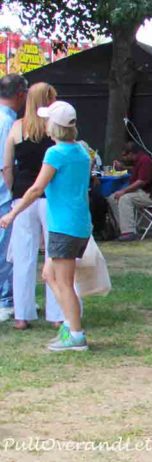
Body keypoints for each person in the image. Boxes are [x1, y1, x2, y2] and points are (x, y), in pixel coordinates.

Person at [0, 101, 91, 351]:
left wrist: (12, 213)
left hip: (64, 225)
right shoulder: (81, 150)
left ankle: (75, 334)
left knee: (63, 281)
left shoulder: (55, 153)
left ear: (55, 126)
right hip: (76, 223)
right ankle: (70, 326)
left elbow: (37, 188)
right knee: (50, 275)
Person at [3, 82, 64, 329]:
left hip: (22, 196)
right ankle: (57, 314)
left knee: (23, 257)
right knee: (55, 255)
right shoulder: (56, 128)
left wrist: (12, 190)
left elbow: (7, 166)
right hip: (52, 196)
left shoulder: (17, 128)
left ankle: (22, 315)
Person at [0, 74, 27, 322]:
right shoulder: (9, 123)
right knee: (7, 249)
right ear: (20, 94)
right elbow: (6, 164)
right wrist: (13, 191)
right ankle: (6, 300)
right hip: (4, 195)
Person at [108, 142, 152, 241]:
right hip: (140, 192)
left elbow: (142, 181)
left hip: (149, 195)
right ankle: (121, 228)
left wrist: (124, 191)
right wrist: (123, 168)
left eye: (124, 155)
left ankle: (129, 232)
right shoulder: (138, 161)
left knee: (124, 199)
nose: (123, 158)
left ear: (131, 154)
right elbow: (135, 170)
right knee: (112, 198)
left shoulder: (145, 161)